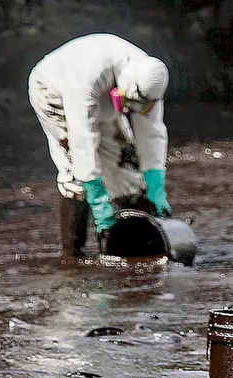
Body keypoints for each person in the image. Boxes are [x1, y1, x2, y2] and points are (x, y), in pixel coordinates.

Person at [28, 33, 172, 257]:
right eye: (130, 105)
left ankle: (132, 245)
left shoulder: (150, 78)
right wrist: (97, 198)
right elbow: (82, 142)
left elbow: (151, 133)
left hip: (106, 97)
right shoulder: (86, 80)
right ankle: (73, 255)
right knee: (77, 176)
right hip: (54, 93)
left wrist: (155, 184)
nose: (133, 112)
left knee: (128, 169)